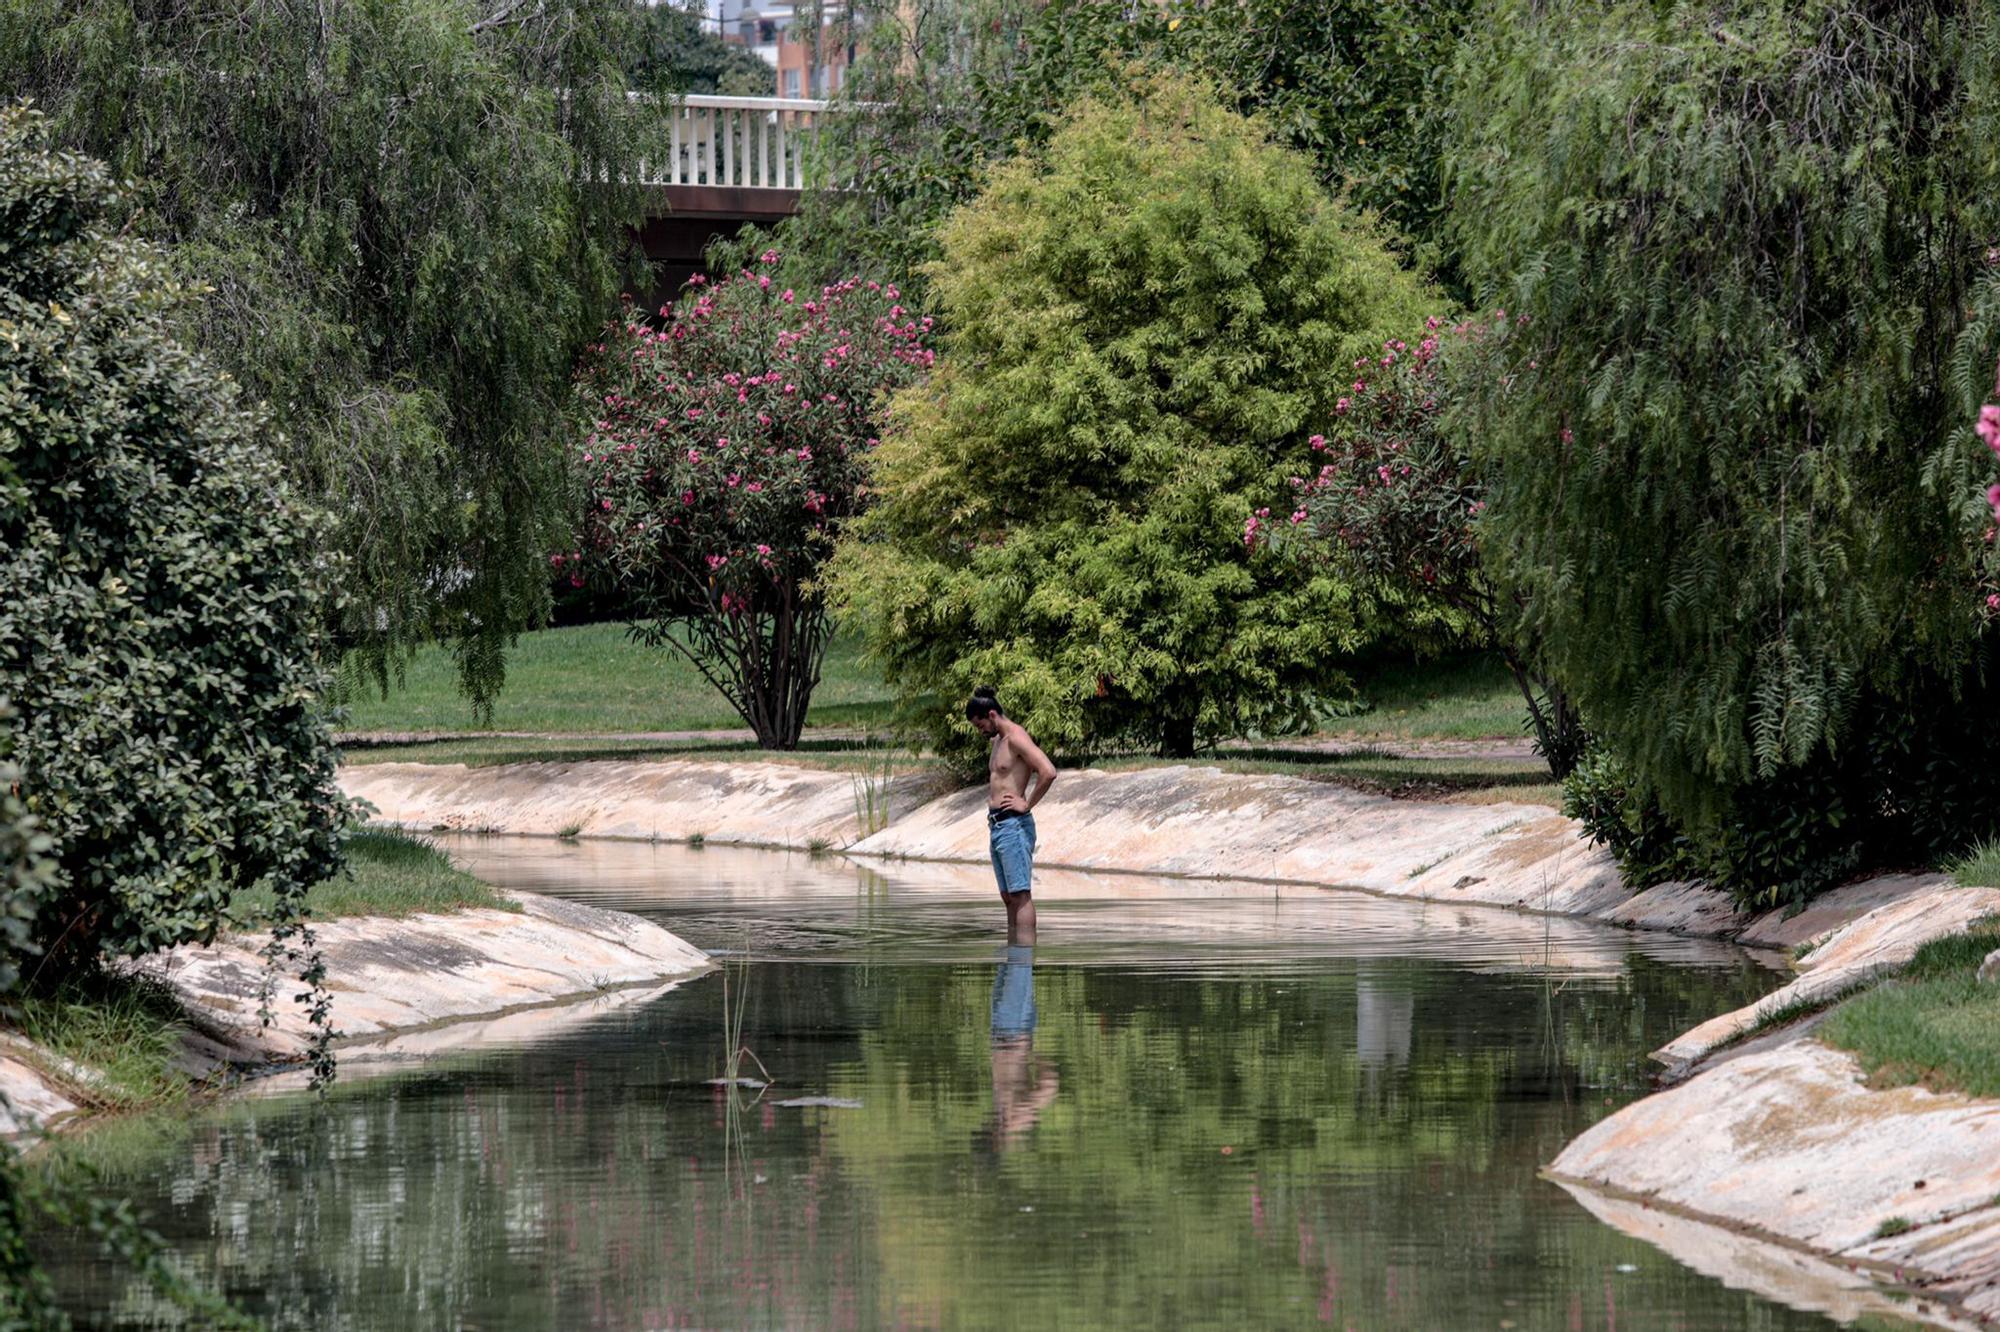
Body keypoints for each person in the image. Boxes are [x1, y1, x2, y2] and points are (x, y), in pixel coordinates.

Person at [966, 685, 1056, 943]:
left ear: (991, 715)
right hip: (997, 826)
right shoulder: (997, 741)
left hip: (1014, 825)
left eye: (980, 724)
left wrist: (1026, 804)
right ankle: (1013, 954)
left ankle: (1023, 962)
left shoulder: (1016, 737)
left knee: (1020, 894)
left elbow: (1048, 771)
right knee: (1008, 897)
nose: (980, 730)